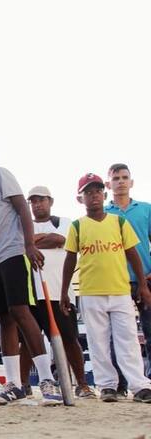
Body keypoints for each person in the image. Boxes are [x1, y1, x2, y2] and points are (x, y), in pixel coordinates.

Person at [0, 142, 63, 406]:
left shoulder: (0, 175)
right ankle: (14, 386)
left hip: (12, 254)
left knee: (20, 311)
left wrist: (29, 244)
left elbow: (22, 209)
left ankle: (46, 380)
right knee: (4, 320)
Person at [61, 173, 151, 403]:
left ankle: (139, 385)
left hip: (120, 290)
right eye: (88, 193)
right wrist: (63, 292)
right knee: (98, 341)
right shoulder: (78, 226)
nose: (94, 196)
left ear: (105, 193)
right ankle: (107, 386)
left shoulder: (119, 222)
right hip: (91, 292)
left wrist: (142, 285)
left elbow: (133, 254)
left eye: (98, 191)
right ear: (80, 198)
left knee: (128, 339)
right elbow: (70, 260)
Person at [19, 185, 95, 398]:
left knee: (70, 339)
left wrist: (32, 242)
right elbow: (21, 245)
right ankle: (23, 385)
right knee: (27, 341)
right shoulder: (25, 226)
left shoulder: (65, 223)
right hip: (32, 293)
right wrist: (31, 242)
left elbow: (60, 240)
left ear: (50, 201)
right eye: (33, 201)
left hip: (60, 292)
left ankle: (82, 384)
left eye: (41, 200)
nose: (37, 204)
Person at [104, 163, 151, 385]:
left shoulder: (146, 209)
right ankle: (120, 384)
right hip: (115, 281)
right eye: (116, 178)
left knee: (150, 329)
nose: (120, 181)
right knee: (117, 336)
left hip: (146, 279)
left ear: (131, 182)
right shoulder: (102, 213)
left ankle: (148, 380)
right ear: (108, 184)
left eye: (124, 177)